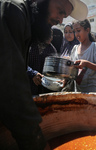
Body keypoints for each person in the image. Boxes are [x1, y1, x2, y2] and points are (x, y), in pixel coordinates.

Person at [0, 0, 88, 149]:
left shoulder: (28, 21)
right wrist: (37, 142)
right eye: (60, 11)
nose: (60, 20)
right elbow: (11, 84)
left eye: (64, 16)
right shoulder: (14, 10)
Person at [69, 19, 96, 93]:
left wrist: (86, 63)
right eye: (74, 31)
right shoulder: (75, 48)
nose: (76, 34)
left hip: (92, 92)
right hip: (78, 91)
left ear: (87, 30)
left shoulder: (94, 47)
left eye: (78, 30)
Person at [27, 30, 58, 96]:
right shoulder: (30, 45)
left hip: (43, 89)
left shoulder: (52, 50)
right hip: (27, 85)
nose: (51, 38)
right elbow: (22, 63)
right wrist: (32, 73)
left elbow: (54, 70)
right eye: (48, 35)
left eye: (51, 35)